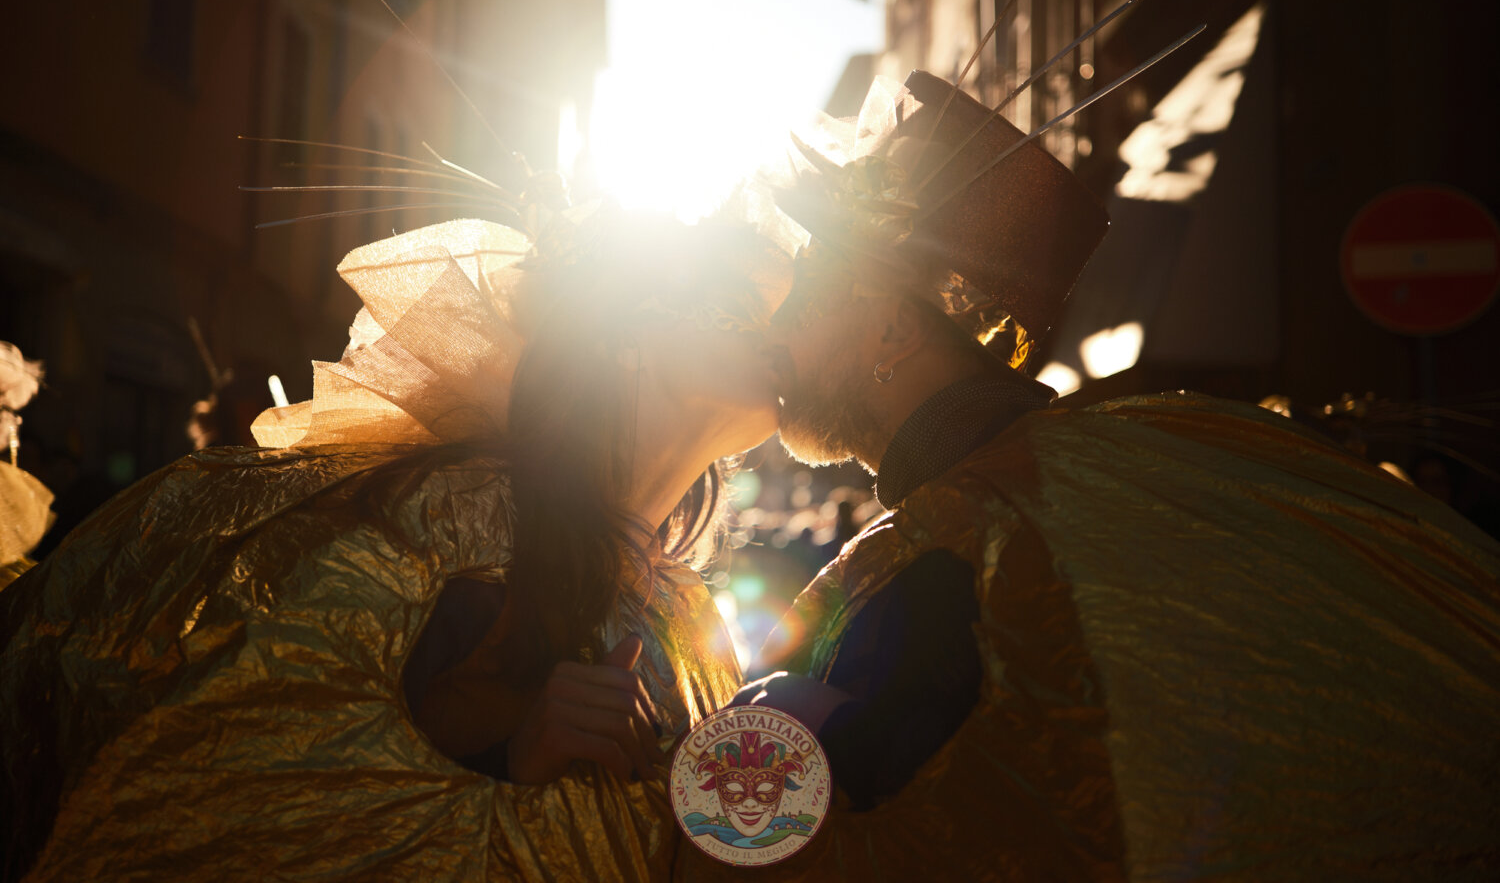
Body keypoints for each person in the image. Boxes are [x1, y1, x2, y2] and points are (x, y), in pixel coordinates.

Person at [684, 72, 1500, 880]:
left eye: (803, 305)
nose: (775, 331)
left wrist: (744, 747)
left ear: (894, 331)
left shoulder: (954, 548)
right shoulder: (1156, 457)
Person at [0, 201, 794, 881]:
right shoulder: (447, 530)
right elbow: (265, 795)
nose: (777, 337)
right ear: (625, 333)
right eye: (737, 305)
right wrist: (508, 764)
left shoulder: (689, 615)